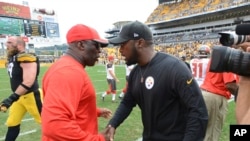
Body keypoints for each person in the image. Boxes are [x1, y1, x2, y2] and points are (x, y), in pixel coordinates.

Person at [106, 21, 208, 141]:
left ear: (140, 43)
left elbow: (198, 111)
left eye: (123, 44)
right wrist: (113, 124)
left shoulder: (175, 68)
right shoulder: (135, 72)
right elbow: (127, 102)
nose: (120, 50)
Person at [41, 24, 112, 141]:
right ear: (81, 45)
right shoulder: (68, 71)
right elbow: (55, 125)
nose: (100, 51)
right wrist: (99, 139)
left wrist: (94, 111)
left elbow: (74, 105)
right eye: (96, 45)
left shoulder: (68, 67)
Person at [0, 36, 43, 141]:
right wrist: (14, 98)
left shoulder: (26, 57)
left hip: (31, 96)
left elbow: (28, 81)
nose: (6, 44)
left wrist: (11, 99)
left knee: (48, 123)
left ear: (19, 45)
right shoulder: (14, 57)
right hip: (18, 97)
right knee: (12, 122)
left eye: (10, 42)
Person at [200, 55, 238, 141]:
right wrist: (242, 95)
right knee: (212, 135)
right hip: (216, 95)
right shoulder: (228, 56)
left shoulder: (217, 55)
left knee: (204, 133)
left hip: (205, 93)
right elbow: (230, 85)